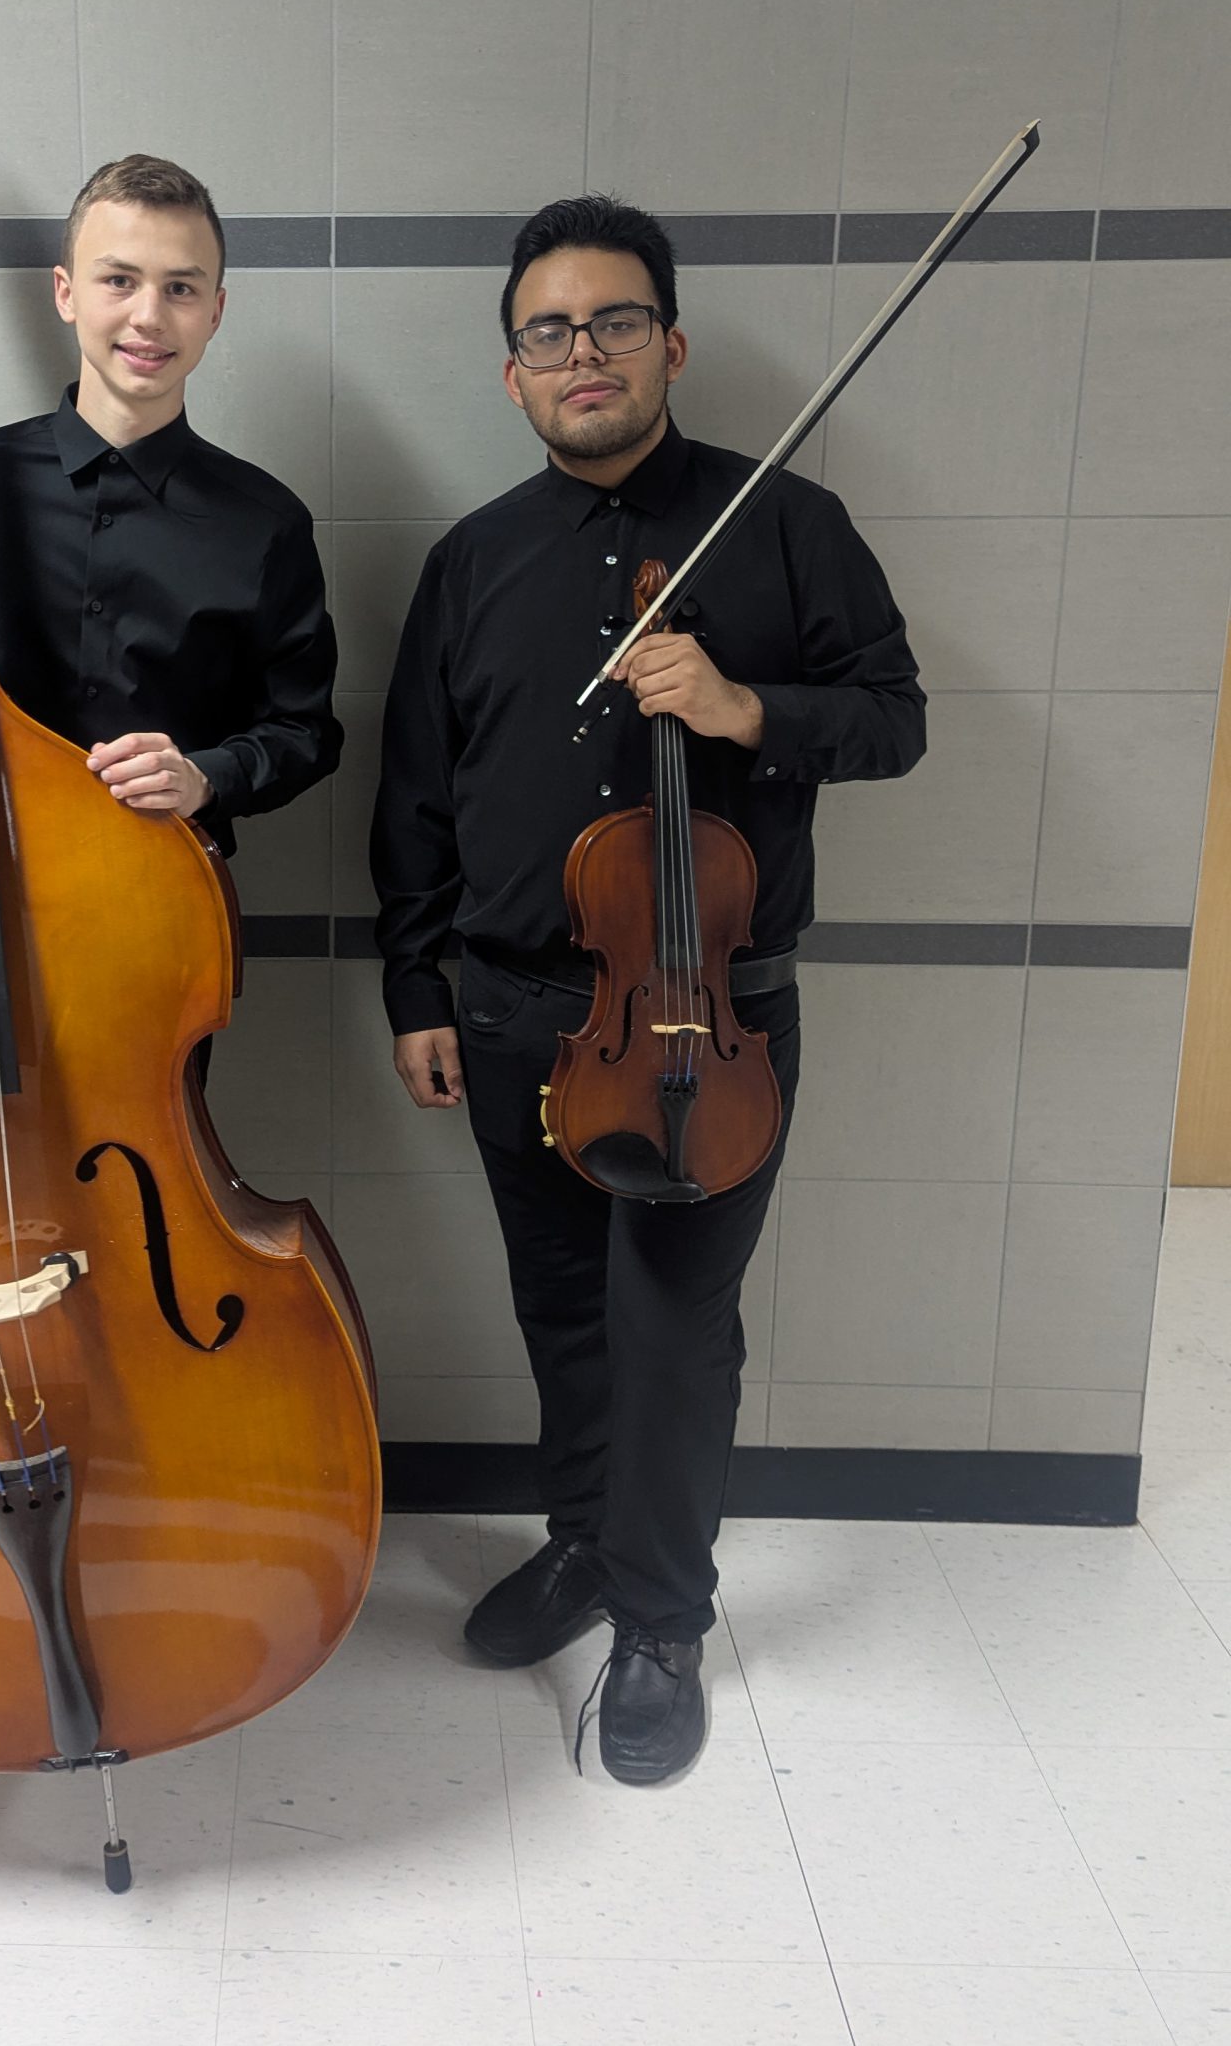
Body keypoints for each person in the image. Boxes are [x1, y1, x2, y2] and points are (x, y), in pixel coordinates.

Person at [371, 193, 925, 1786]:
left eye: (615, 322)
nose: (583, 354)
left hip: (710, 1020)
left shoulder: (788, 522)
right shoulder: (474, 560)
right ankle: (587, 1544)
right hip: (508, 1012)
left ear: (669, 345)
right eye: (548, 332)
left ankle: (664, 1619)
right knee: (562, 1312)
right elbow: (416, 793)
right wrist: (419, 984)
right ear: (514, 375)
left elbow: (895, 718)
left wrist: (749, 706)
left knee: (673, 1326)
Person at [0, 154, 341, 852]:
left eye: (180, 288)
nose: (149, 317)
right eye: (119, 280)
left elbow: (306, 733)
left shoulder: (266, 523)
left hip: (167, 893)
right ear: (65, 293)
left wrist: (202, 778)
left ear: (215, 313)